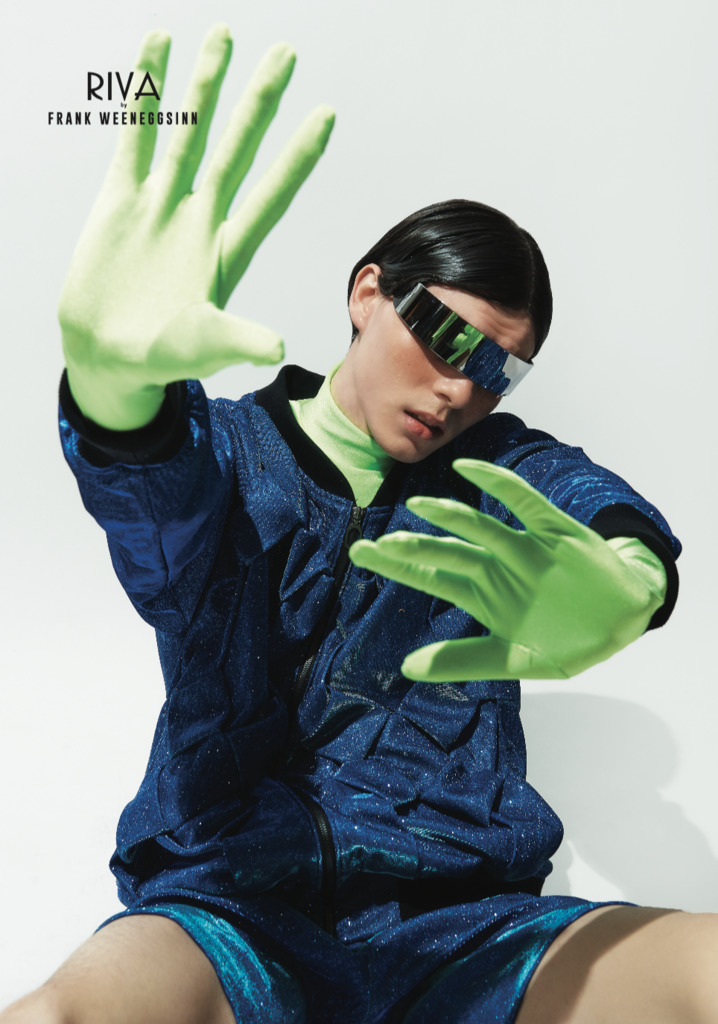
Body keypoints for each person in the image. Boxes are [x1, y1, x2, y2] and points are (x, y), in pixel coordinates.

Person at [3, 22, 716, 1024]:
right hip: (227, 912)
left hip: (464, 930)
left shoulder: (497, 468)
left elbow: (594, 505)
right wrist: (112, 389)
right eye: (444, 335)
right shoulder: (229, 452)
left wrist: (632, 582)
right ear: (367, 293)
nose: (461, 385)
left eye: (498, 368)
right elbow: (153, 491)